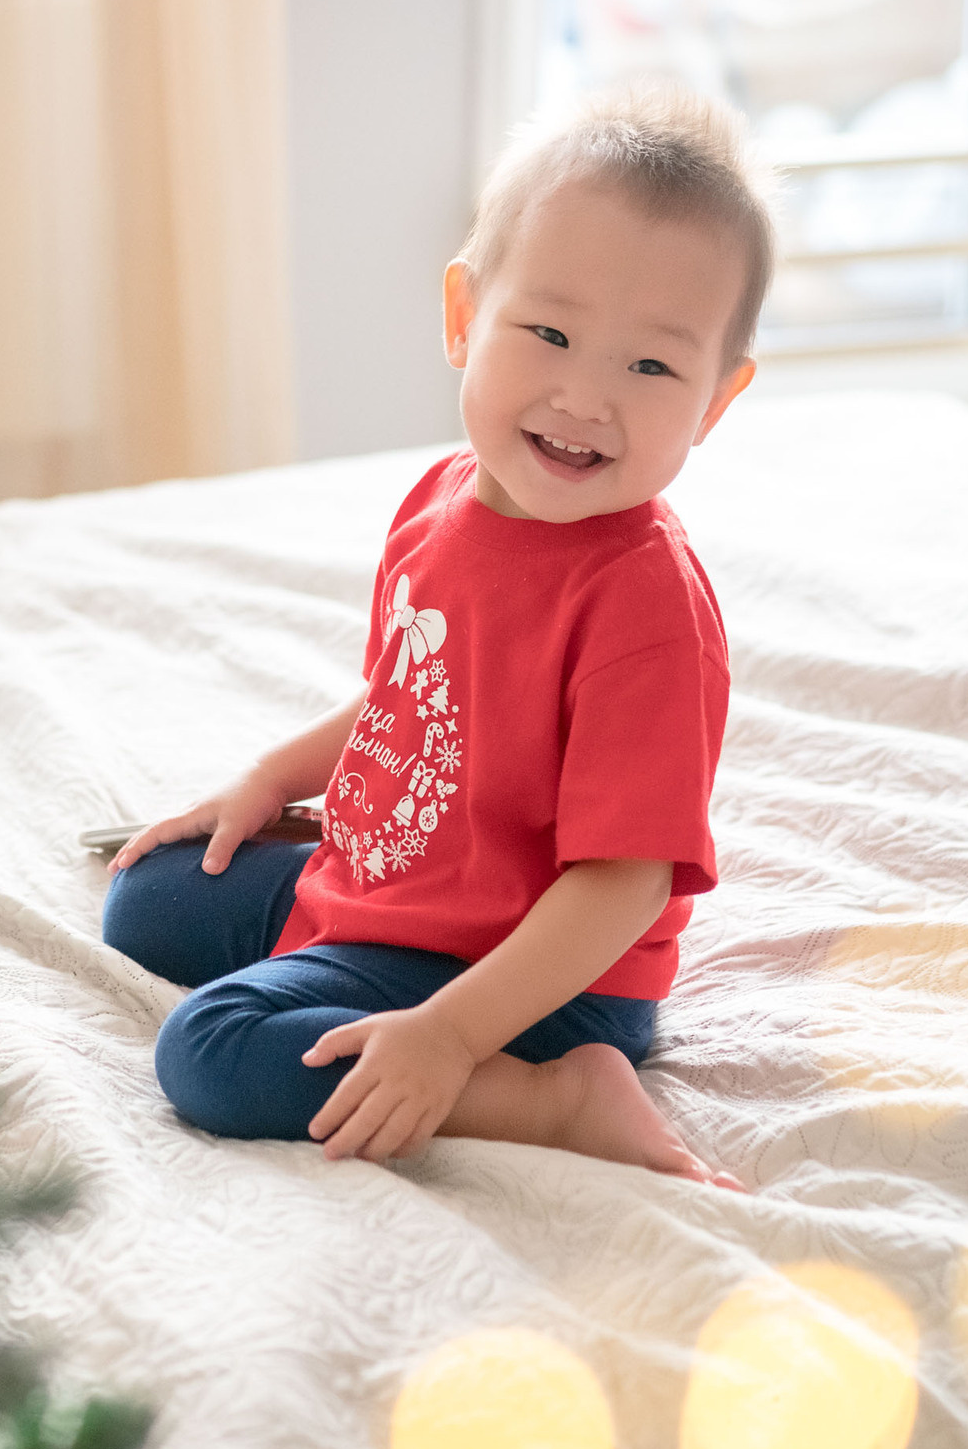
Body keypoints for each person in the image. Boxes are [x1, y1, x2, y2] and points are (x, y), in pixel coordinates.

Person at [101, 88, 770, 1187]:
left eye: (650, 367)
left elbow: (624, 885)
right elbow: (414, 695)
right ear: (464, 316)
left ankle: (550, 1099)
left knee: (210, 1055)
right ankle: (327, 953)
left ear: (713, 402)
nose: (585, 397)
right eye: (548, 333)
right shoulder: (443, 499)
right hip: (390, 879)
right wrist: (268, 782)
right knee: (152, 893)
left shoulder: (645, 606)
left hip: (531, 971)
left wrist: (452, 1035)